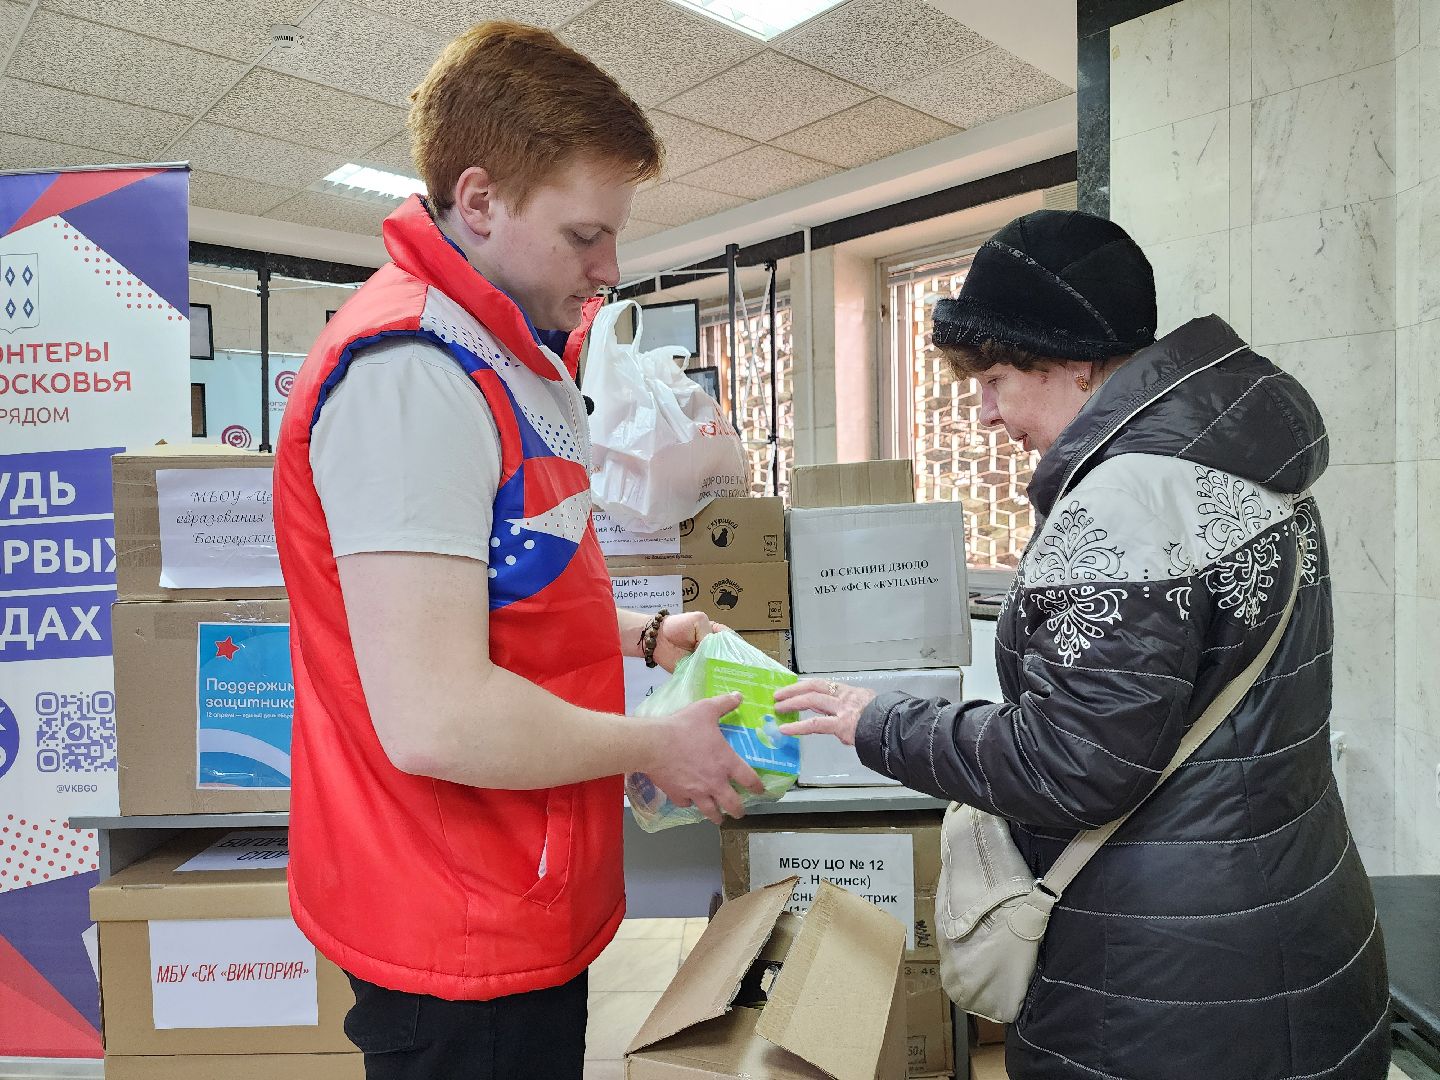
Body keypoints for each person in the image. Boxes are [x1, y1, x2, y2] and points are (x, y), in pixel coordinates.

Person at [776, 210, 1390, 1080]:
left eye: (993, 378)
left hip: (1164, 983)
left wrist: (881, 724)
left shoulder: (1125, 497)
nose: (985, 413)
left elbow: (1075, 766)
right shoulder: (1253, 474)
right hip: (1299, 908)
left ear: (1073, 361)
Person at [271, 23, 762, 1080]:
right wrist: (651, 746)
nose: (610, 269)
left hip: (518, 883)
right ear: (481, 201)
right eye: (586, 235)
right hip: (454, 913)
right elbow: (437, 716)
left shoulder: (505, 361)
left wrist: (644, 635)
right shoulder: (411, 374)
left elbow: (509, 590)